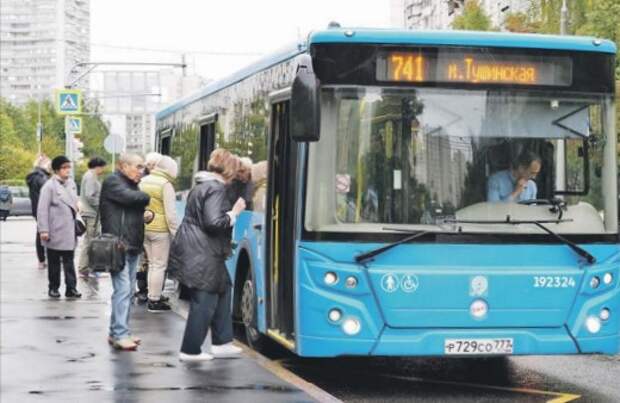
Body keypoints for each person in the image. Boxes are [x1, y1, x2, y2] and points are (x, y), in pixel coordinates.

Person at [169, 148, 246, 361]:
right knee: (204, 300)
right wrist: (235, 212)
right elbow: (214, 223)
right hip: (203, 251)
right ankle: (190, 350)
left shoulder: (203, 186)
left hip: (198, 248)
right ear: (229, 169)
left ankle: (222, 343)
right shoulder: (216, 189)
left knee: (224, 288)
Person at [100, 153, 151, 351]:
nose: (142, 171)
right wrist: (144, 198)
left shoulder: (130, 184)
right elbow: (134, 198)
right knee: (122, 290)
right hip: (118, 246)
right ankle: (120, 334)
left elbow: (132, 205)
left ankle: (118, 331)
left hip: (131, 245)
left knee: (127, 291)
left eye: (143, 167)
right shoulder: (113, 181)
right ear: (123, 166)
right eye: (138, 167)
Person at [37, 156, 81, 299]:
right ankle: (53, 288)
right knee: (54, 263)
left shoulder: (71, 184)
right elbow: (42, 209)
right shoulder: (49, 186)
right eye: (64, 167)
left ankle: (71, 288)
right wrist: (43, 230)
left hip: (69, 230)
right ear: (56, 170)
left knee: (69, 262)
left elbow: (74, 203)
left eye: (69, 167)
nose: (68, 170)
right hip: (55, 230)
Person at [139, 155, 179, 313]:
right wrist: (176, 234)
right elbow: (171, 214)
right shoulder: (165, 185)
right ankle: (154, 300)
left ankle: (152, 295)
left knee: (151, 264)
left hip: (144, 227)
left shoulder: (144, 181)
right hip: (160, 231)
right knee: (159, 265)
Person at [77, 157, 107, 278]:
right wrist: (101, 205)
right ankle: (84, 268)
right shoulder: (91, 176)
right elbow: (90, 196)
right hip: (91, 213)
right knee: (90, 241)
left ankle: (87, 267)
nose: (103, 170)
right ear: (97, 166)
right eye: (103, 167)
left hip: (91, 212)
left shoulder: (90, 176)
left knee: (90, 240)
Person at [26, 155, 51, 269]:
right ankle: (45, 259)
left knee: (40, 233)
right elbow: (49, 193)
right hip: (44, 209)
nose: (50, 167)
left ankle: (41, 260)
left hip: (36, 209)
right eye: (48, 164)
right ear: (43, 165)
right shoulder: (42, 177)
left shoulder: (33, 177)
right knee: (44, 233)